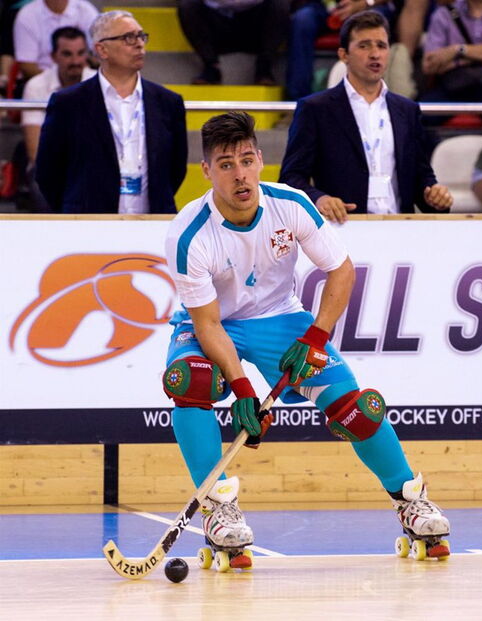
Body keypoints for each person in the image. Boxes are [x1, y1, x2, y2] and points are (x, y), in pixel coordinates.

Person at [163, 111, 451, 568]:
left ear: (260, 159)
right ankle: (218, 510)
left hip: (281, 319)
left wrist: (316, 337)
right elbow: (208, 323)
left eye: (246, 160)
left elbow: (341, 270)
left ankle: (410, 500)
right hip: (212, 325)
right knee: (191, 381)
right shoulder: (189, 233)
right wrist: (241, 388)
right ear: (206, 171)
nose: (239, 174)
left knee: (353, 409)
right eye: (225, 164)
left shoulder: (290, 204)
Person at [280, 10, 453, 223]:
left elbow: (421, 178)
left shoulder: (406, 110)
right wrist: (320, 199)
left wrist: (434, 195)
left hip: (399, 229)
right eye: (364, 46)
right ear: (344, 55)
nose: (375, 54)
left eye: (381, 46)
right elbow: (290, 178)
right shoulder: (315, 109)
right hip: (342, 229)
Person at [35, 11, 187, 214]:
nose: (139, 44)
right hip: (88, 223)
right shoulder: (68, 103)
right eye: (128, 38)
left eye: (141, 36)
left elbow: (176, 169)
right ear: (102, 50)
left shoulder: (168, 102)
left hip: (153, 221)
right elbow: (48, 172)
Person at [21, 26, 94, 212]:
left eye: (80, 53)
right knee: (41, 178)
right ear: (53, 56)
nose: (76, 61)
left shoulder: (100, 83)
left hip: (91, 163)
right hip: (49, 164)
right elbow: (34, 152)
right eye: (67, 54)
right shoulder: (36, 86)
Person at [177, 0, 289, 85]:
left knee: (280, 4)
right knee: (188, 4)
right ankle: (211, 66)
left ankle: (264, 67)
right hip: (216, 20)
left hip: (257, 21)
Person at [13, 0, 97, 79]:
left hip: (83, 78)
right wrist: (60, 82)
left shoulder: (86, 11)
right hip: (42, 81)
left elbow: (99, 56)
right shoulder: (27, 15)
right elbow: (27, 66)